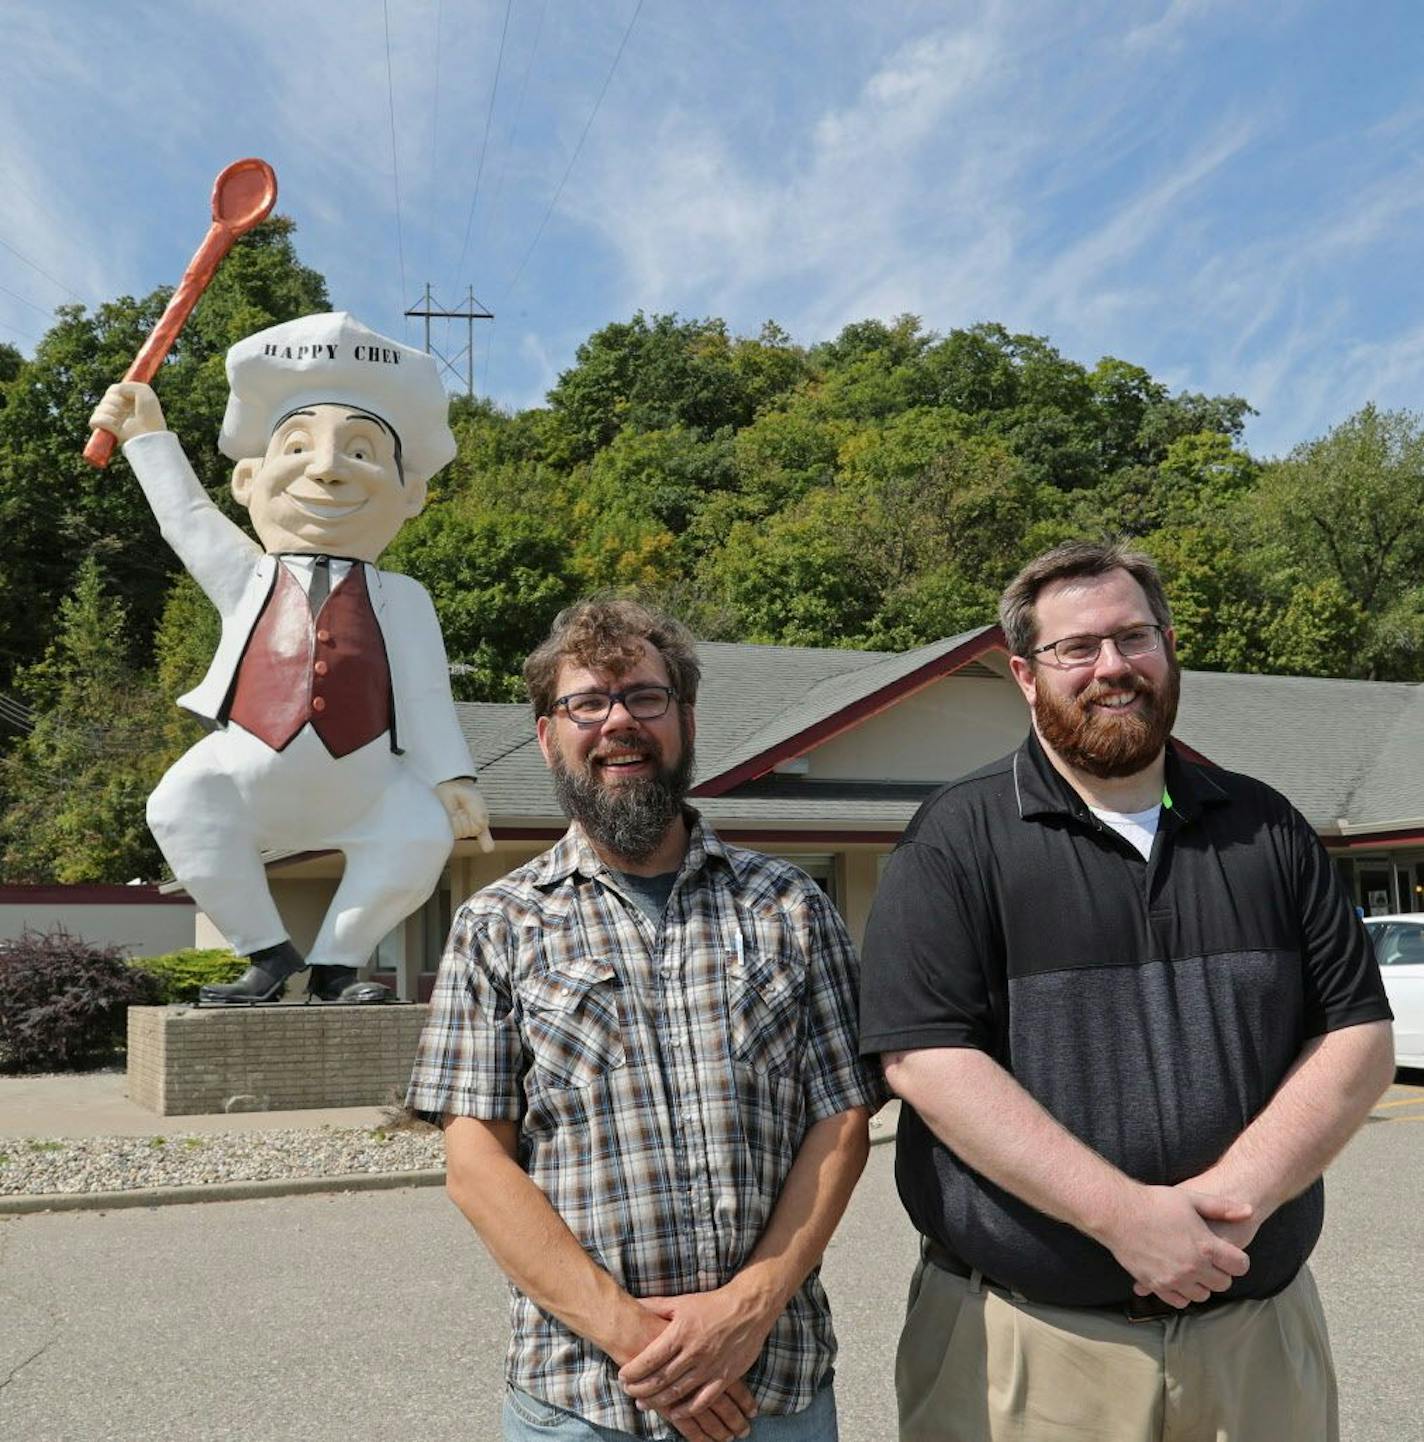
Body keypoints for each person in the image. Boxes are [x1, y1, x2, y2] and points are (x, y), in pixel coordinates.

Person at [859, 539, 1395, 1442]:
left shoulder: (1265, 827)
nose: (1112, 667)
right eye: (1077, 648)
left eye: (1134, 637)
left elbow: (1358, 1037)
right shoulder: (957, 840)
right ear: (1027, 677)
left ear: (1169, 647)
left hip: (1258, 1348)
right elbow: (926, 1059)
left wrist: (1233, 1203)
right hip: (1030, 1352)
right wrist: (1126, 1219)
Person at [407, 598, 885, 1442]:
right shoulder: (496, 925)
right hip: (584, 1399)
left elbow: (842, 1121)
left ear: (686, 718)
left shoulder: (788, 905)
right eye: (587, 702)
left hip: (773, 1386)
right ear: (549, 734)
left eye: (645, 698)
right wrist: (649, 1348)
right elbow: (477, 1163)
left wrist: (744, 1311)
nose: (618, 722)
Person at [88, 312, 492, 1005]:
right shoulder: (247, 575)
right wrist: (148, 436)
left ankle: (338, 965)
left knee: (417, 835)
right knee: (181, 803)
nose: (328, 469)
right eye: (298, 447)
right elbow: (185, 518)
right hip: (247, 769)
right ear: (248, 479)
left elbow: (425, 693)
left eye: (362, 452)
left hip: (369, 782)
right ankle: (269, 955)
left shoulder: (405, 597)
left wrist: (454, 777)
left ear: (412, 493)